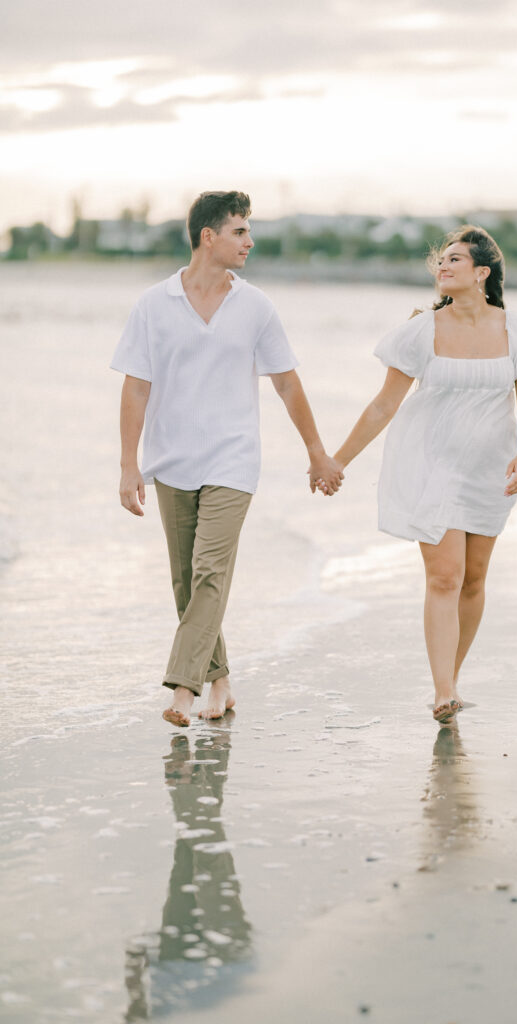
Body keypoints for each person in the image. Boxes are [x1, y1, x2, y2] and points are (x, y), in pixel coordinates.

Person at [112, 190, 342, 727]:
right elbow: (136, 388)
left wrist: (316, 451)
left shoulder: (256, 306)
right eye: (240, 230)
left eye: (249, 230)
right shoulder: (153, 304)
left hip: (234, 461)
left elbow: (286, 382)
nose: (250, 240)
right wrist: (128, 464)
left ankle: (181, 692)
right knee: (186, 582)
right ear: (208, 237)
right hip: (170, 460)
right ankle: (221, 681)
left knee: (210, 570)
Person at [320, 225, 517, 724]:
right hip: (430, 464)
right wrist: (338, 460)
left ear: (482, 273)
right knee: (445, 576)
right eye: (441, 260)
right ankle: (443, 689)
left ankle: (453, 676)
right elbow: (383, 406)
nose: (442, 266)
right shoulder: (421, 330)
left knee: (474, 579)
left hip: (490, 469)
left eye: (456, 260)